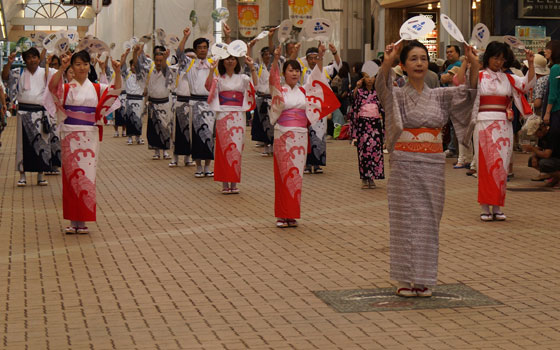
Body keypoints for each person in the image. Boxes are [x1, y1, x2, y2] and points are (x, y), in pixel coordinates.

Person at [376, 40, 479, 298]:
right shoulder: (398, 93)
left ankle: (423, 278)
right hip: (404, 162)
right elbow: (382, 89)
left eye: (423, 58)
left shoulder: (440, 94)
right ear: (404, 65)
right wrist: (387, 62)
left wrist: (474, 63)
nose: (419, 63)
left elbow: (469, 94)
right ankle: (404, 278)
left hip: (432, 164)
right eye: (413, 59)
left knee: (429, 220)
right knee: (404, 218)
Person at [46, 50, 122, 234]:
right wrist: (61, 69)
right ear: (72, 66)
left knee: (87, 176)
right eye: (77, 64)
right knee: (71, 176)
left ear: (90, 66)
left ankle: (84, 221)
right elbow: (51, 88)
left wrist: (118, 72)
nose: (82, 67)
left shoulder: (97, 88)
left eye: (85, 63)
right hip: (70, 135)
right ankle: (74, 221)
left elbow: (115, 90)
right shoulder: (66, 87)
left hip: (90, 135)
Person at [269, 44, 340, 228]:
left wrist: (322, 56)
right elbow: (272, 80)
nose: (294, 74)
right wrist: (276, 59)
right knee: (283, 175)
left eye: (297, 71)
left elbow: (318, 80)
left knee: (296, 176)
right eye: (290, 70)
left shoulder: (303, 91)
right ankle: (281, 214)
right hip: (283, 134)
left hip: (300, 135)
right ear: (284, 73)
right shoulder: (280, 90)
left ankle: (291, 214)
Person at [475, 41, 535, 222]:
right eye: (495, 58)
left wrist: (530, 64)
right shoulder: (478, 77)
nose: (498, 62)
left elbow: (526, 85)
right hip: (483, 123)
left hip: (503, 125)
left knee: (501, 166)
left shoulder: (509, 78)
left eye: (502, 59)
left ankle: (497, 206)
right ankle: (485, 206)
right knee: (485, 165)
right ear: (488, 58)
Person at [2, 48, 57, 187]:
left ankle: (40, 175)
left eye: (34, 57)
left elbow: (59, 78)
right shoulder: (18, 72)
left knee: (42, 144)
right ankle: (22, 176)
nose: (32, 60)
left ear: (39, 59)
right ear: (25, 60)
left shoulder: (46, 72)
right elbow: (5, 77)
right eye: (29, 58)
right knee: (23, 145)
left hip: (40, 112)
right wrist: (9, 63)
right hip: (23, 112)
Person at [205, 53, 257, 194]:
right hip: (223, 114)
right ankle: (224, 183)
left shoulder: (243, 78)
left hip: (238, 115)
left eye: (233, 59)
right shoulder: (218, 79)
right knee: (223, 148)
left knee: (236, 149)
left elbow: (255, 86)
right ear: (223, 61)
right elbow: (208, 87)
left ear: (236, 61)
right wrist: (211, 70)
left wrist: (251, 67)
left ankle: (234, 182)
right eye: (227, 59)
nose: (230, 61)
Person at [177, 27, 223, 177]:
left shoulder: (213, 64)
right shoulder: (189, 64)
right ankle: (198, 166)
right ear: (195, 50)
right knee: (196, 134)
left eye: (205, 47)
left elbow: (228, 56)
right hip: (195, 103)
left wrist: (227, 36)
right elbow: (179, 54)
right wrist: (185, 37)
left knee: (209, 134)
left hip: (210, 103)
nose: (202, 50)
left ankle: (208, 166)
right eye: (200, 48)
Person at [296, 44, 342, 174]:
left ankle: (317, 164)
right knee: (307, 135)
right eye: (310, 58)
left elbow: (338, 66)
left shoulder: (325, 70)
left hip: (321, 108)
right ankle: (306, 163)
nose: (313, 60)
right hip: (308, 107)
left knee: (320, 135)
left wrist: (334, 52)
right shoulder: (302, 71)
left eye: (315, 57)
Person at [133, 44, 174, 160]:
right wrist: (135, 53)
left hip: (164, 103)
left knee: (165, 127)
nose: (159, 63)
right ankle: (156, 150)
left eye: (161, 60)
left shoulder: (167, 70)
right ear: (154, 60)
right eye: (157, 60)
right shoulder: (150, 71)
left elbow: (166, 68)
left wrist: (166, 59)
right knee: (153, 128)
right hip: (152, 103)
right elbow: (137, 67)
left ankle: (165, 150)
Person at [350, 71, 384, 189]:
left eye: (372, 77)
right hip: (363, 125)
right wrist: (356, 88)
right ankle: (365, 178)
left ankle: (372, 177)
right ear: (363, 78)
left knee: (375, 150)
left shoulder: (378, 92)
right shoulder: (359, 92)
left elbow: (383, 108)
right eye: (366, 77)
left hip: (375, 124)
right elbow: (354, 105)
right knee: (364, 151)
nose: (369, 79)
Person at [169, 47, 197, 167]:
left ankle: (188, 157)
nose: (191, 60)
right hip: (179, 102)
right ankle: (175, 157)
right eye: (188, 58)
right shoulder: (176, 69)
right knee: (177, 131)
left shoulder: (198, 71)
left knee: (190, 132)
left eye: (193, 58)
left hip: (192, 103)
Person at [523, 117, 560, 187]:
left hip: (557, 158)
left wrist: (532, 149)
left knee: (544, 163)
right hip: (554, 158)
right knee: (531, 160)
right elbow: (539, 148)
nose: (535, 135)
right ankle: (555, 177)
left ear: (542, 128)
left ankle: (555, 177)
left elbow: (546, 155)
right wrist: (534, 156)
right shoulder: (542, 135)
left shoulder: (553, 133)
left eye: (536, 133)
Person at [120, 48, 146, 145]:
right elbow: (122, 66)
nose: (134, 67)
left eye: (135, 65)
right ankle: (130, 137)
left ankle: (138, 137)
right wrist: (126, 55)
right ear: (130, 66)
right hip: (129, 99)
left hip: (139, 100)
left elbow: (139, 63)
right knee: (129, 118)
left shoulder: (141, 75)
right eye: (132, 65)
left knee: (139, 119)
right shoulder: (127, 74)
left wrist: (138, 53)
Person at [544, 40, 560, 131]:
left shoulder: (555, 68)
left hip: (556, 109)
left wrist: (547, 112)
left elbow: (552, 94)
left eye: (547, 48)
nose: (545, 51)